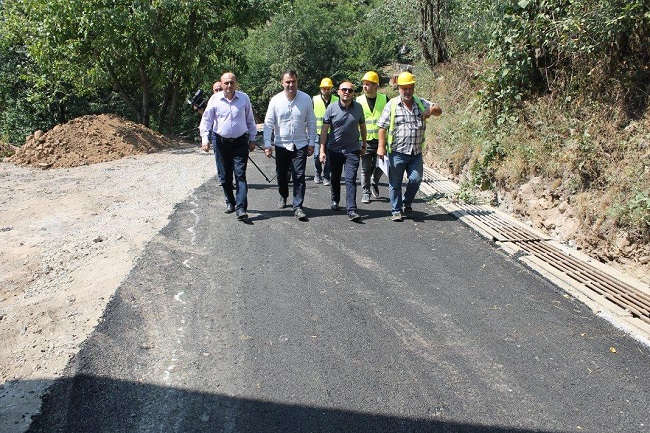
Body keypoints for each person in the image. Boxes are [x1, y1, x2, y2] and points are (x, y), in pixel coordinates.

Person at [376, 71, 442, 222]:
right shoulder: (392, 105)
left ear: (413, 88)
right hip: (397, 152)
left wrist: (430, 111)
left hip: (415, 152)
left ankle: (407, 203)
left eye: (410, 88)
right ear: (399, 88)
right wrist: (381, 147)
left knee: (416, 179)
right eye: (404, 88)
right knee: (395, 183)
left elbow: (439, 110)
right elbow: (381, 126)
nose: (407, 91)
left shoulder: (420, 103)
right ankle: (396, 210)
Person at [200, 72, 257, 221]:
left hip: (240, 142)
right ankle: (230, 202)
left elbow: (250, 120)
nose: (229, 86)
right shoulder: (215, 99)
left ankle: (241, 208)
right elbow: (206, 120)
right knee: (225, 177)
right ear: (222, 84)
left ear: (236, 83)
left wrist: (252, 139)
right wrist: (205, 138)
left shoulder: (244, 98)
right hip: (221, 142)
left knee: (240, 175)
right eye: (226, 83)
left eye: (232, 82)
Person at [263, 69, 317, 221]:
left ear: (297, 82)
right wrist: (267, 144)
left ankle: (298, 206)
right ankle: (283, 195)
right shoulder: (275, 100)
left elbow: (311, 122)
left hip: (300, 144)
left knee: (299, 175)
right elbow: (268, 124)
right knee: (281, 175)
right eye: (287, 82)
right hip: (281, 144)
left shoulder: (305, 99)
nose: (291, 84)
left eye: (293, 81)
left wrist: (312, 142)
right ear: (282, 83)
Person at [319, 81, 367, 222]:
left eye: (350, 90)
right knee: (335, 177)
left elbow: (363, 127)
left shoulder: (358, 108)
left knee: (350, 178)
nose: (347, 92)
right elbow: (324, 130)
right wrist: (322, 150)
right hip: (334, 150)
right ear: (338, 91)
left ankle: (351, 209)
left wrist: (363, 145)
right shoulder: (331, 108)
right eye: (344, 89)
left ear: (353, 93)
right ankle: (335, 199)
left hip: (352, 150)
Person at [356, 71, 388, 204]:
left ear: (376, 86)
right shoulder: (358, 100)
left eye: (367, 84)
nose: (364, 87)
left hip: (382, 140)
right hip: (365, 140)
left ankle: (375, 180)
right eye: (363, 84)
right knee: (365, 168)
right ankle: (365, 192)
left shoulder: (384, 99)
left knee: (381, 165)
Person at [312, 77, 338, 186]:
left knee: (329, 156)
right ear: (321, 89)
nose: (326, 91)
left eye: (328, 89)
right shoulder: (314, 100)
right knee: (317, 155)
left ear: (331, 89)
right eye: (324, 89)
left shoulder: (337, 100)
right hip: (318, 132)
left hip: (332, 133)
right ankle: (318, 172)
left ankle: (327, 175)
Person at [209, 81, 227, 187]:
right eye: (216, 90)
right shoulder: (212, 101)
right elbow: (207, 118)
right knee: (219, 158)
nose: (218, 91)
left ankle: (228, 178)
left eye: (220, 89)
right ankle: (222, 178)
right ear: (213, 91)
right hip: (216, 133)